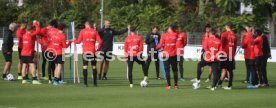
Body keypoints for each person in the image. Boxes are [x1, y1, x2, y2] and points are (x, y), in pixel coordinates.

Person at [74, 21, 102, 87]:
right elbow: (100, 42)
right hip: (93, 51)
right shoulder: (95, 31)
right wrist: (98, 49)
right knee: (94, 66)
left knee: (85, 67)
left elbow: (78, 42)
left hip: (85, 51)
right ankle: (95, 83)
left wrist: (74, 40)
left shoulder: (82, 31)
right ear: (90, 25)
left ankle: (85, 83)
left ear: (85, 25)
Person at [156, 24, 179, 90]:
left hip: (166, 55)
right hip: (174, 55)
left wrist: (155, 48)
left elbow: (160, 45)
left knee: (167, 70)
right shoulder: (176, 35)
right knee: (175, 70)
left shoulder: (164, 35)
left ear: (170, 28)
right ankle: (176, 85)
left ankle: (169, 85)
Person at [217, 22, 237, 90]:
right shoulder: (234, 35)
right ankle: (228, 85)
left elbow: (221, 44)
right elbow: (235, 46)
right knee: (229, 70)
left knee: (223, 69)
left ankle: (220, 84)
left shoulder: (224, 34)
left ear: (227, 26)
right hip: (231, 53)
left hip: (225, 53)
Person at [192, 24, 212, 89]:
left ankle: (209, 77)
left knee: (211, 65)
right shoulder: (205, 34)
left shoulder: (211, 35)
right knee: (201, 64)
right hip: (204, 50)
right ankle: (198, 78)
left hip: (208, 52)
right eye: (206, 28)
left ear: (210, 28)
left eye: (208, 28)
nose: (207, 29)